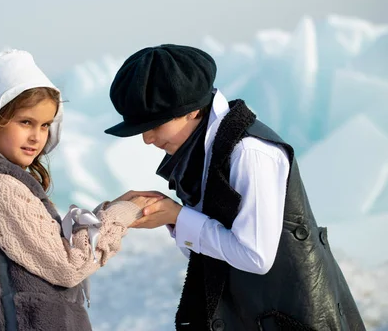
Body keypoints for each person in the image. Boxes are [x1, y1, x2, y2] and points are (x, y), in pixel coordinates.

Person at [105, 44, 365, 331]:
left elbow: (254, 256)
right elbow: (214, 255)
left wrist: (178, 216)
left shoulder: (249, 152)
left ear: (192, 111)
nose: (146, 139)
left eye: (154, 124)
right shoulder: (205, 150)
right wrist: (170, 216)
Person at [0, 49, 160, 331]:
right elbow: (68, 265)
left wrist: (105, 213)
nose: (37, 136)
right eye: (25, 122)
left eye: (45, 125)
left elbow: (49, 247)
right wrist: (120, 216)